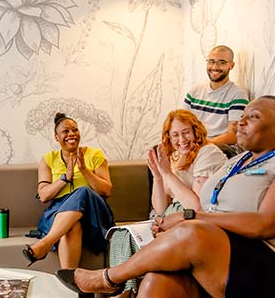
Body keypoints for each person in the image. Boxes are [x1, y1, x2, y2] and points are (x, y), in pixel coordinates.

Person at [57, 95, 275, 297]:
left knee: (192, 231)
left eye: (253, 117)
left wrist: (189, 219)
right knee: (155, 281)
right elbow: (186, 208)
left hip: (254, 257)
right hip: (209, 248)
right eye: (242, 116)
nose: (240, 122)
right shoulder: (235, 162)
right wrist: (161, 180)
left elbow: (265, 225)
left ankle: (108, 278)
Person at [108, 109, 227, 296]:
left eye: (186, 132)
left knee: (135, 241)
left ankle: (130, 290)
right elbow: (161, 207)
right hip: (169, 214)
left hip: (192, 219)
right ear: (169, 138)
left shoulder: (207, 153)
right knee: (120, 237)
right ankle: (126, 290)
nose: (182, 139)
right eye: (175, 135)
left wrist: (168, 174)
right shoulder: (174, 157)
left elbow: (195, 207)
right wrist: (158, 176)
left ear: (196, 131)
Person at [22, 113, 114, 269]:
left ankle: (45, 244)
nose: (71, 134)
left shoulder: (94, 155)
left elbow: (106, 191)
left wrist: (84, 170)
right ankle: (69, 282)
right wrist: (65, 177)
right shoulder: (48, 159)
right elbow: (44, 195)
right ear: (56, 137)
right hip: (59, 213)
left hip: (93, 213)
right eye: (66, 131)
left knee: (83, 191)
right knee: (72, 226)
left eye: (75, 130)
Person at [183, 45, 249, 157]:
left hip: (223, 148)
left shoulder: (238, 95)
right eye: (211, 61)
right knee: (158, 151)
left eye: (222, 62)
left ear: (231, 65)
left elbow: (233, 136)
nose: (215, 66)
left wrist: (202, 145)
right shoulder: (194, 92)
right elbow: (182, 124)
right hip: (196, 144)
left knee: (204, 153)